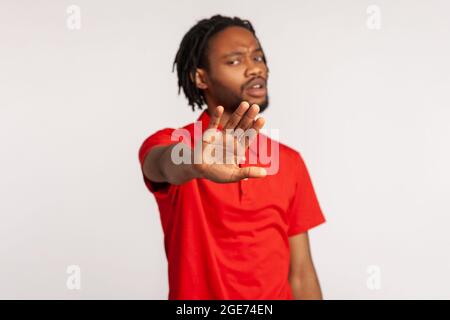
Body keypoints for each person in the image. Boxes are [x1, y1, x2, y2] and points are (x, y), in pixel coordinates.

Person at [138, 14, 326, 300]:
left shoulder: (289, 161)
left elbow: (301, 274)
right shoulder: (176, 144)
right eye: (235, 61)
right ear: (201, 78)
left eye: (258, 57)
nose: (255, 68)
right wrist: (192, 162)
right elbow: (161, 164)